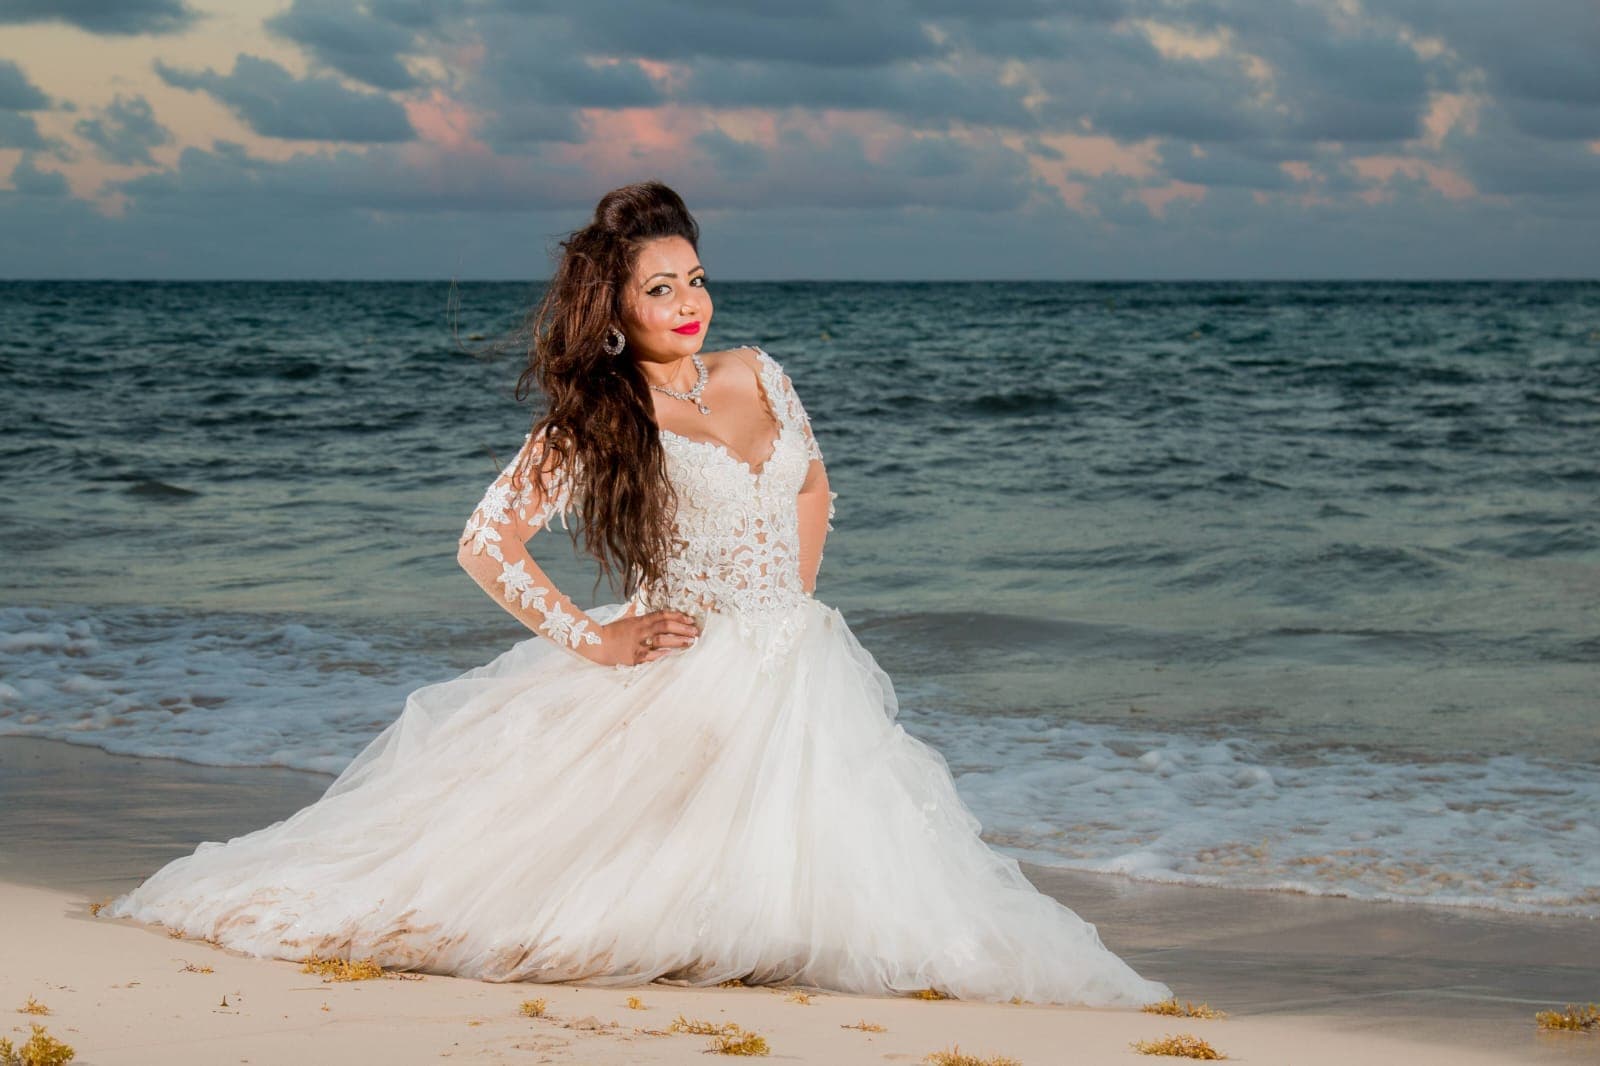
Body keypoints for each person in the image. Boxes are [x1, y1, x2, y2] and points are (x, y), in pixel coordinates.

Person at [103, 181, 1170, 1007]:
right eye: (659, 287)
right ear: (613, 305)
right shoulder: (599, 415)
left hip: (794, 662)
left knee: (868, 897)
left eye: (694, 278)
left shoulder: (762, 371)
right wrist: (599, 645)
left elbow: (812, 488)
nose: (687, 303)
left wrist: (786, 612)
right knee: (588, 912)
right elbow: (486, 544)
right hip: (675, 669)